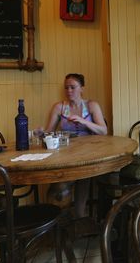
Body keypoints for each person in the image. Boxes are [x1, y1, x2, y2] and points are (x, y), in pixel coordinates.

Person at [43, 73, 108, 219]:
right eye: (66, 88)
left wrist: (83, 121)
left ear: (82, 88)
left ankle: (78, 216)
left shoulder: (91, 105)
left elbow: (103, 131)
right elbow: (48, 132)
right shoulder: (59, 107)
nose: (69, 91)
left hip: (88, 154)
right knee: (61, 185)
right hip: (65, 154)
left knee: (83, 177)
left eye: (73, 87)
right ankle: (61, 218)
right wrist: (41, 132)